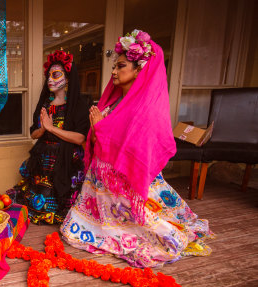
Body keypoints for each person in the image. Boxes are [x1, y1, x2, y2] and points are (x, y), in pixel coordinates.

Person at [60, 30, 213, 268]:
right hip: (101, 184)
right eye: (115, 66)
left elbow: (134, 149)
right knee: (73, 230)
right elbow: (96, 141)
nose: (113, 71)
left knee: (152, 228)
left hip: (125, 183)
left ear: (138, 70)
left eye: (121, 66)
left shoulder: (146, 109)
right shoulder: (112, 102)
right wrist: (97, 131)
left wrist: (100, 128)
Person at [7, 50, 90, 225]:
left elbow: (80, 139)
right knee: (36, 201)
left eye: (56, 74)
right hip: (43, 160)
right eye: (49, 75)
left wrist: (52, 128)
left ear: (67, 79)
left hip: (66, 160)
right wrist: (44, 130)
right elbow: (33, 134)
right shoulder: (45, 105)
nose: (51, 79)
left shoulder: (77, 106)